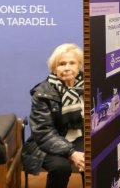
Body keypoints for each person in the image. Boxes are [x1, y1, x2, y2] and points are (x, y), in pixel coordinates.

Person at [22, 43, 85, 188]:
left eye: (72, 63)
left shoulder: (89, 85)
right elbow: (43, 132)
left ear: (79, 65)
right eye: (62, 64)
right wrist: (71, 152)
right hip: (49, 142)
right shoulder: (42, 93)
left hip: (81, 136)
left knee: (94, 158)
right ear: (54, 68)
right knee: (60, 168)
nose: (67, 68)